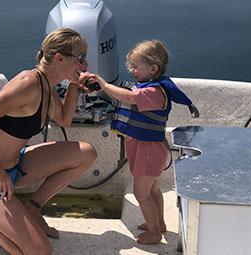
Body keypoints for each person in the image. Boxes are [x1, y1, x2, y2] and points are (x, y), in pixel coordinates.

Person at [0, 28, 97, 255]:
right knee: (40, 252)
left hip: (16, 165)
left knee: (86, 153)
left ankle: (33, 208)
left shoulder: (47, 86)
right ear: (60, 58)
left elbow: (64, 119)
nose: (85, 66)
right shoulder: (28, 83)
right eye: (80, 59)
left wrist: (74, 86)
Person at [84, 39, 198, 244]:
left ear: (153, 68)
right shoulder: (148, 87)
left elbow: (128, 98)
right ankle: (159, 224)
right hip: (145, 147)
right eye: (131, 66)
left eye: (136, 67)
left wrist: (103, 84)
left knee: (140, 192)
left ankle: (154, 232)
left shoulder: (153, 92)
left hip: (149, 150)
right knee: (152, 190)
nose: (132, 71)